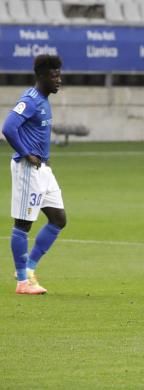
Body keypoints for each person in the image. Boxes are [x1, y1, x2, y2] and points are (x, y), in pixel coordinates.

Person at [3, 54, 65, 295]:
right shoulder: (30, 100)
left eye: (59, 74)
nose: (58, 80)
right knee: (23, 224)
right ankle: (21, 281)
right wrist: (26, 153)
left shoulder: (44, 99)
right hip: (28, 169)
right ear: (41, 76)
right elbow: (8, 127)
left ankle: (29, 269)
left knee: (59, 219)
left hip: (43, 170)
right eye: (53, 76)